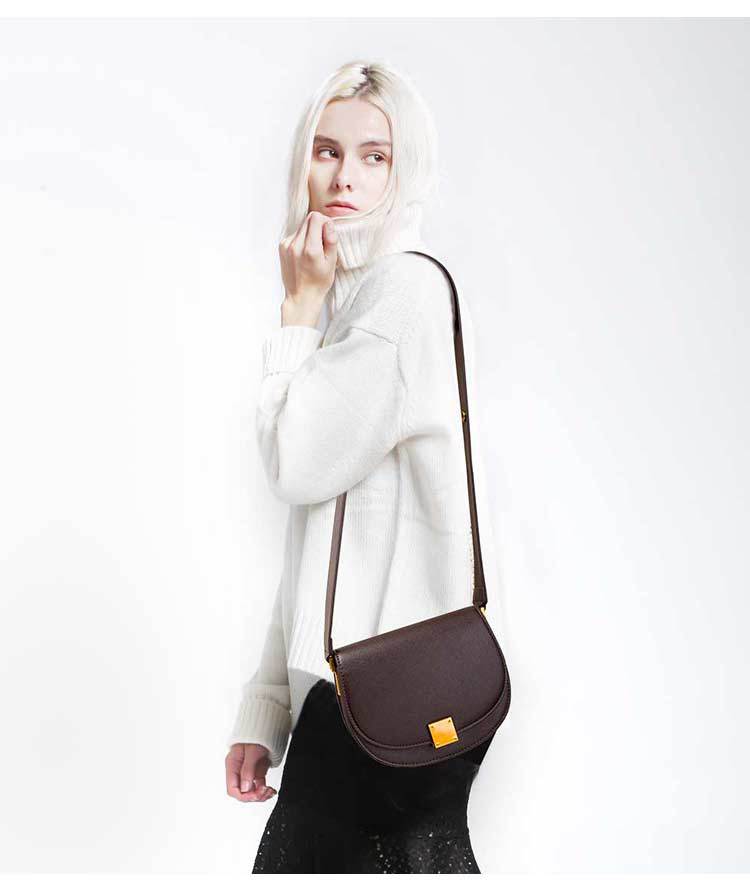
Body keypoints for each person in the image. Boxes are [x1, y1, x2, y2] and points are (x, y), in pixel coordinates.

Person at [225, 59, 503, 873]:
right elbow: (319, 541)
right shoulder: (364, 302)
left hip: (379, 696)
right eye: (327, 151)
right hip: (374, 690)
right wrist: (268, 704)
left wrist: (296, 313)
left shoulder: (399, 296)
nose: (345, 176)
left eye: (374, 156)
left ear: (403, 168)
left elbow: (294, 462)